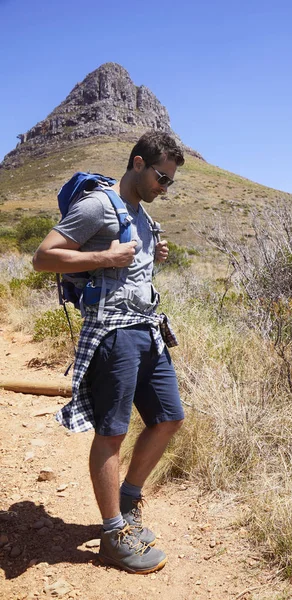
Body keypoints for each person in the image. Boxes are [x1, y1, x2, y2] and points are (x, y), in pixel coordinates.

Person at [32, 131, 185, 574]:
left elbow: (128, 263)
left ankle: (128, 500)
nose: (165, 187)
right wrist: (106, 259)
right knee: (112, 432)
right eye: (161, 177)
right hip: (112, 335)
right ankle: (113, 534)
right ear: (138, 163)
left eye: (170, 181)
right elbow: (44, 257)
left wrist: (150, 256)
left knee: (169, 418)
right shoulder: (97, 205)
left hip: (147, 331)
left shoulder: (139, 213)